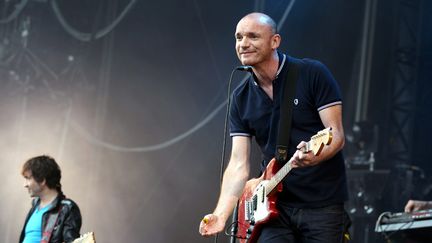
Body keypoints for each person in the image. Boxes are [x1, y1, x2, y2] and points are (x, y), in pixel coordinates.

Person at [199, 12, 350, 242]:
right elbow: (238, 164)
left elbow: (336, 135)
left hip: (322, 204)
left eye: (252, 37)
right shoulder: (241, 97)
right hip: (271, 206)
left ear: (275, 41)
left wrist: (314, 157)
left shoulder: (312, 74)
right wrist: (221, 214)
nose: (243, 44)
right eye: (238, 37)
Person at [19, 155, 82, 243]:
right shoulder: (34, 207)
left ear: (42, 180)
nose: (25, 185)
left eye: (28, 178)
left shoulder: (67, 208)